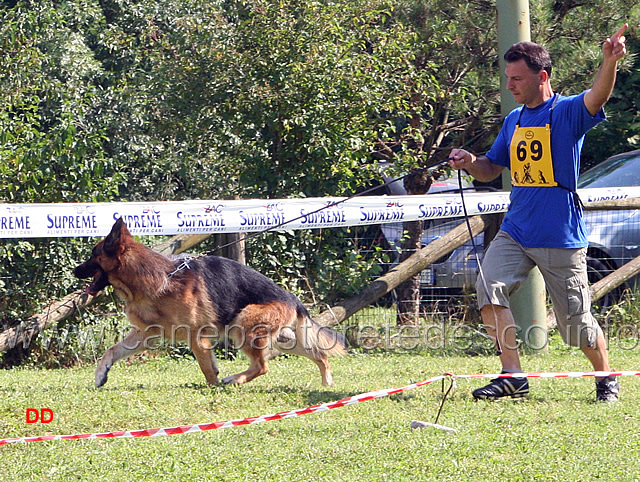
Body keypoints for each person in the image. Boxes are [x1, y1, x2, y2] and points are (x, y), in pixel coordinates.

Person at [449, 25, 628, 402]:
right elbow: (491, 168)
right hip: (517, 230)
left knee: (575, 326)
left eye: (517, 78)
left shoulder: (566, 112)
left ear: (541, 76)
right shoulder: (513, 121)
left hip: (560, 235)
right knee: (489, 287)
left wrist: (608, 61)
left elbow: (597, 95)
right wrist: (469, 163)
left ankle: (605, 378)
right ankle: (512, 375)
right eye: (508, 78)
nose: (510, 85)